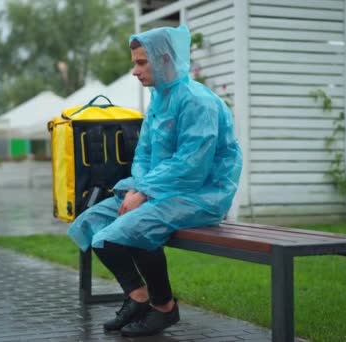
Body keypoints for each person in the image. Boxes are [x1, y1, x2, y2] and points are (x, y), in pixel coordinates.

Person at [67, 25, 242, 337]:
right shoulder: (159, 100)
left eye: (141, 62)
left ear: (163, 59)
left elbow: (192, 163)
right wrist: (138, 187)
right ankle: (138, 297)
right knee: (91, 223)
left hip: (201, 194)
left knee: (132, 227)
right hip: (159, 192)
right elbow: (143, 153)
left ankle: (164, 308)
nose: (134, 71)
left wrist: (144, 192)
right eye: (135, 62)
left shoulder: (197, 101)